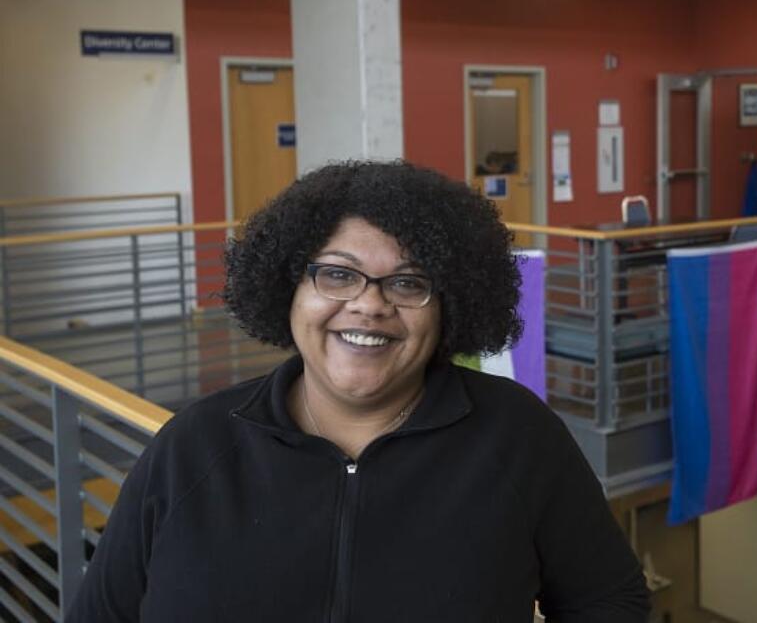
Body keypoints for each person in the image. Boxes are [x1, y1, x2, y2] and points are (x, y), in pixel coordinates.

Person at [68, 161, 650, 622]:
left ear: (450, 306)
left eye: (407, 282)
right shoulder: (192, 447)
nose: (370, 304)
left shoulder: (518, 436)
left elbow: (609, 600)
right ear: (289, 289)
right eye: (338, 274)